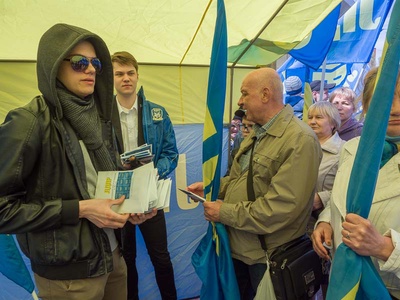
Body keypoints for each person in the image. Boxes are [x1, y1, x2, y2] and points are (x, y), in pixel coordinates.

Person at [0, 23, 156, 300]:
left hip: (113, 260)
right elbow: (3, 210)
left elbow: (102, 185)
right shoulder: (29, 122)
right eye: (79, 62)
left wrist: (133, 207)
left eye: (95, 62)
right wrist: (81, 210)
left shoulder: (99, 118)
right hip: (68, 279)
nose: (91, 69)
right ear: (52, 65)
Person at [188, 68, 322, 299]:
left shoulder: (300, 140)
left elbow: (280, 209)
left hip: (268, 257)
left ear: (265, 94)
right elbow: (242, 178)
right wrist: (213, 189)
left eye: (244, 94)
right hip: (242, 249)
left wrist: (224, 212)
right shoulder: (258, 133)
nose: (240, 101)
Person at [312, 67, 400, 298]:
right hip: (343, 280)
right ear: (368, 106)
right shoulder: (352, 148)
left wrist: (385, 248)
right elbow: (340, 199)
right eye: (385, 98)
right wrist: (325, 222)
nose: (395, 109)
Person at [111, 51, 178, 300]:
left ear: (137, 75)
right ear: (112, 78)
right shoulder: (102, 117)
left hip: (151, 197)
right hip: (118, 200)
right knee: (125, 260)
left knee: (161, 258)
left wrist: (151, 172)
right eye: (119, 73)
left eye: (130, 73)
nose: (125, 78)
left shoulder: (157, 113)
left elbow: (171, 154)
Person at [306, 101, 345, 297]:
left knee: (325, 280)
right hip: (299, 224)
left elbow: (347, 188)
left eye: (319, 117)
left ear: (333, 123)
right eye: (310, 117)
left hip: (327, 226)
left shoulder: (344, 151)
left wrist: (321, 197)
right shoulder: (302, 146)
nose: (312, 121)